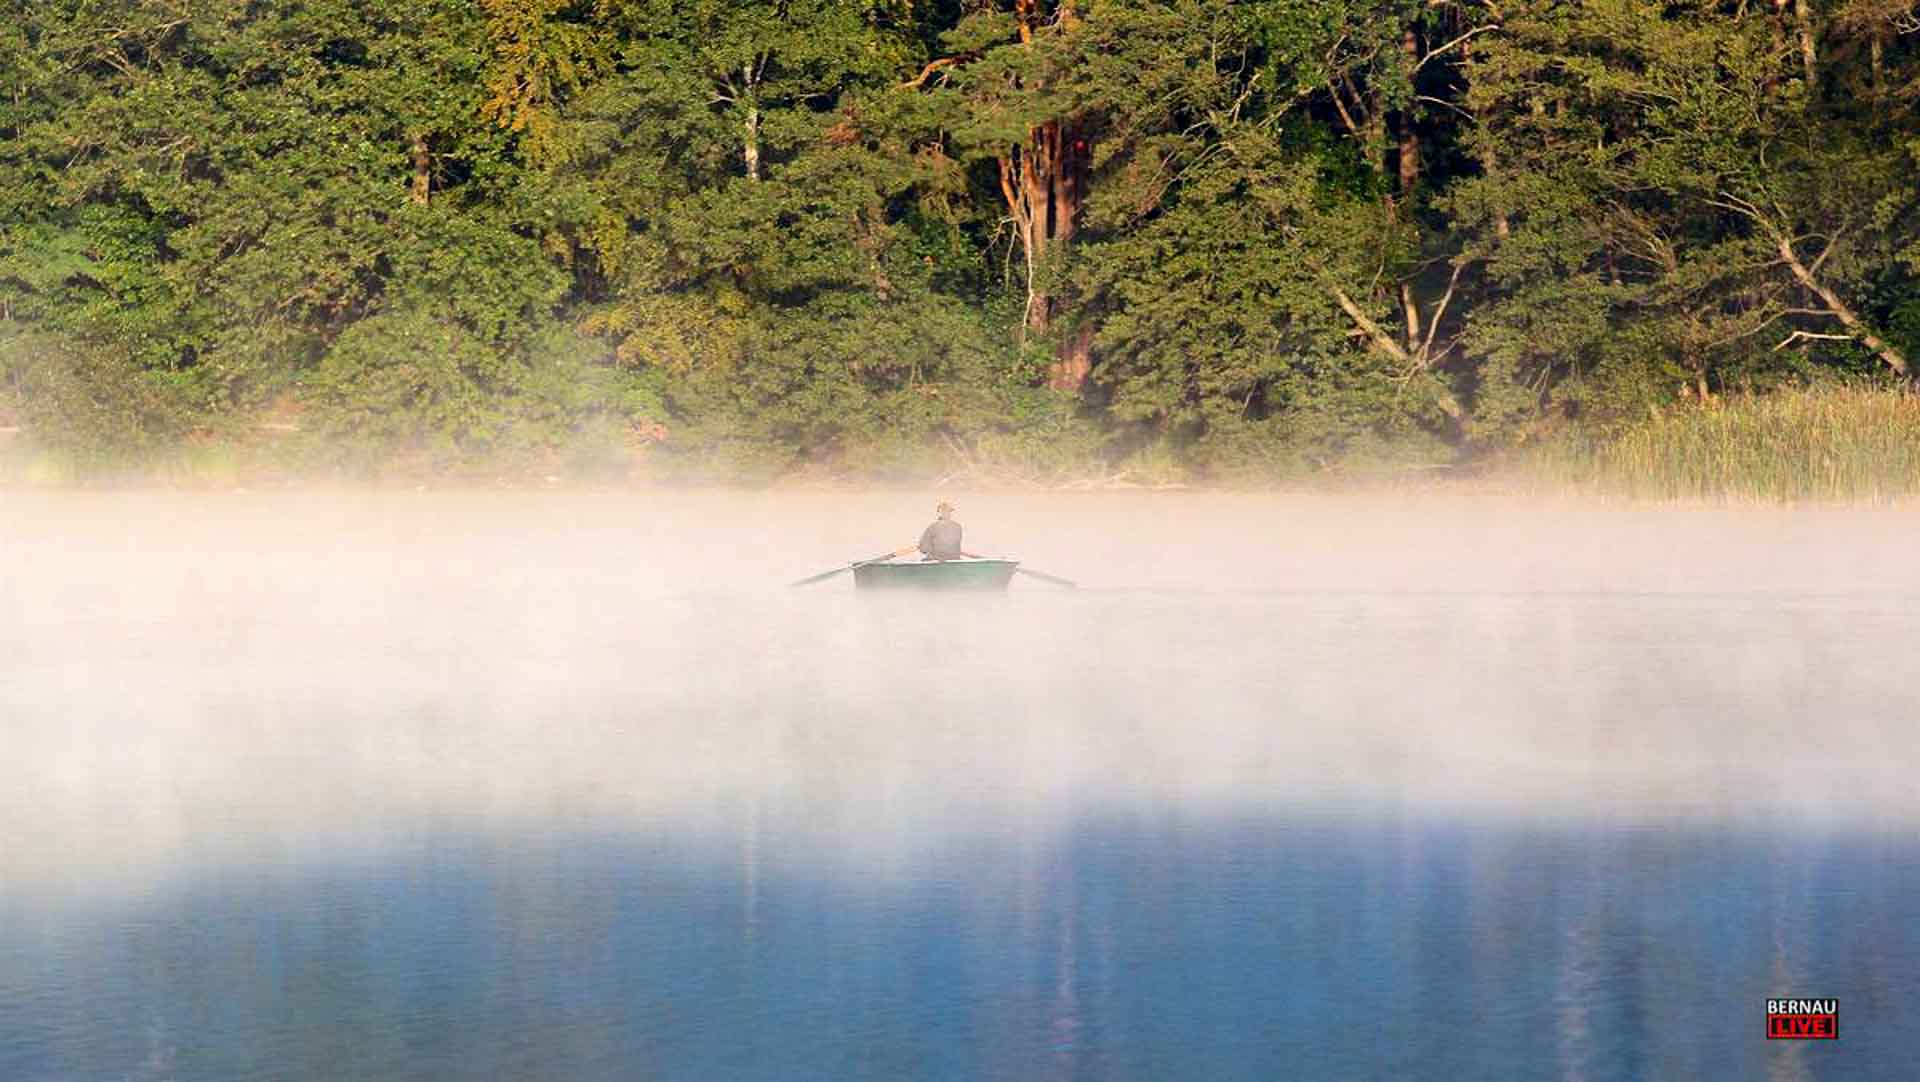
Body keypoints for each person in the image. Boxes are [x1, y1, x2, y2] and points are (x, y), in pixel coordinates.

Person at [896, 500, 979, 561]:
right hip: (954, 559)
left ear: (939, 512)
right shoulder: (958, 526)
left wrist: (923, 547)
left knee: (924, 559)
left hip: (936, 559)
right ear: (950, 513)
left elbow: (924, 549)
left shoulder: (933, 527)